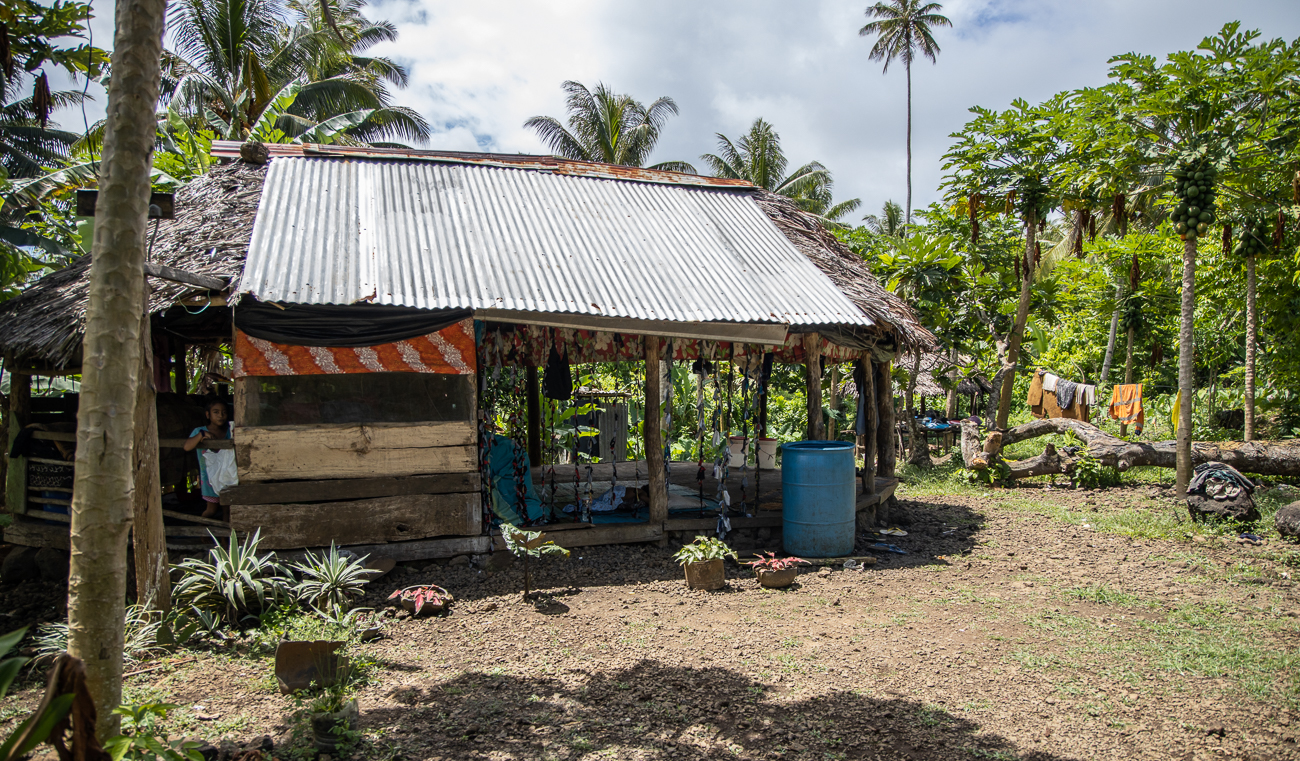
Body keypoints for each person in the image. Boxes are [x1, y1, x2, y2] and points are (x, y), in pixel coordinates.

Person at [184, 399, 231, 519]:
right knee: (211, 510)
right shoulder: (199, 431)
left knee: (228, 511)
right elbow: (187, 446)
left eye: (224, 412)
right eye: (216, 412)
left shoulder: (230, 431)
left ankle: (225, 538)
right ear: (207, 414)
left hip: (228, 477)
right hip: (209, 480)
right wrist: (201, 435)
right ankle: (203, 535)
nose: (220, 415)